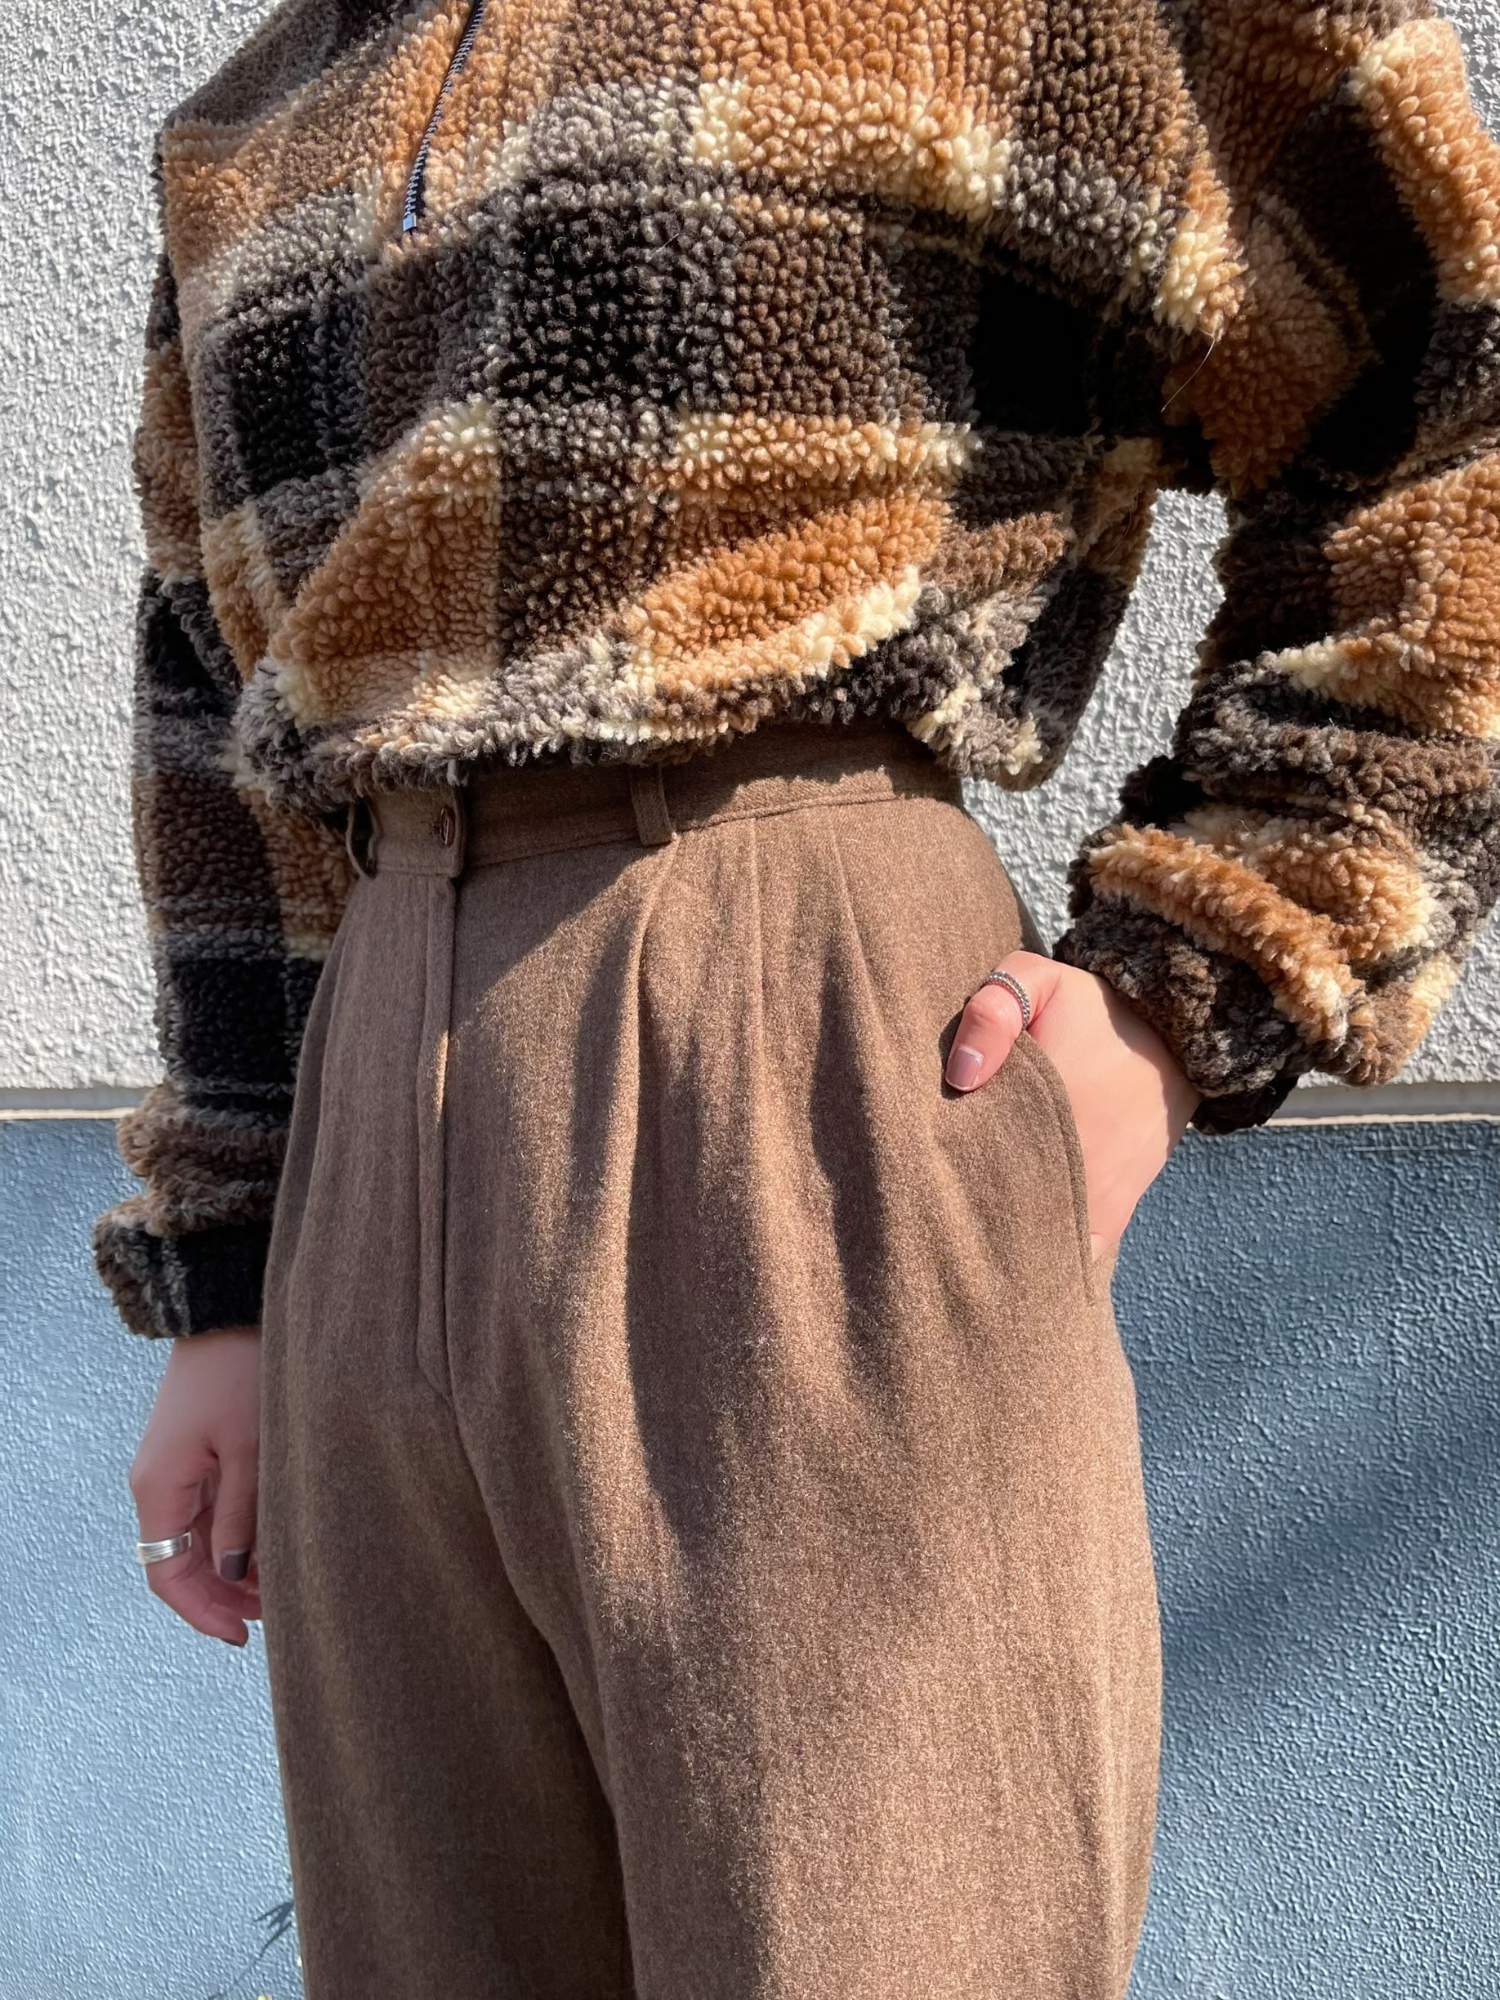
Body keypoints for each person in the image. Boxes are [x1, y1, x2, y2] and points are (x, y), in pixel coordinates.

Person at [96, 0, 1500, 1993]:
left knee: (875, 1934)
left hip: (803, 1013)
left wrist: (1207, 972)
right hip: (369, 1099)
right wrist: (231, 1280)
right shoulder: (263, 111)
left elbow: (1447, 396)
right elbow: (211, 691)